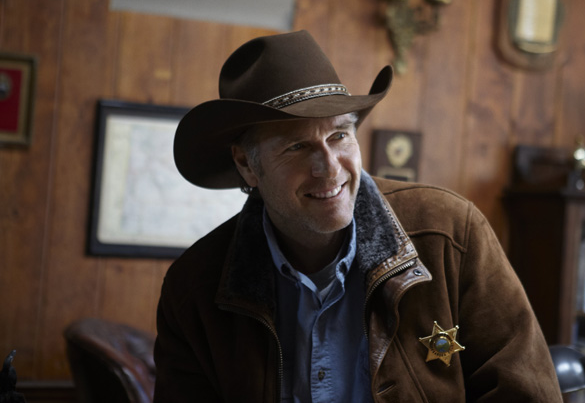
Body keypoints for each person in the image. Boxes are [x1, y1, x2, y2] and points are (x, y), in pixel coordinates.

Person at [153, 30, 563, 402]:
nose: (329, 168)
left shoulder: (450, 234)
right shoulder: (194, 287)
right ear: (246, 164)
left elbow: (526, 394)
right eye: (296, 147)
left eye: (339, 135)